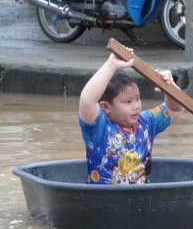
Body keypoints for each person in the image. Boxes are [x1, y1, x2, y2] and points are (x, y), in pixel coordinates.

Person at [78, 53, 184, 185]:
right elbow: (87, 101)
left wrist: (169, 87)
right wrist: (111, 65)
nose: (136, 106)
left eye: (138, 98)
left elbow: (174, 109)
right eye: (128, 102)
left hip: (140, 201)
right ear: (106, 107)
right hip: (103, 202)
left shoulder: (146, 123)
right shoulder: (98, 128)